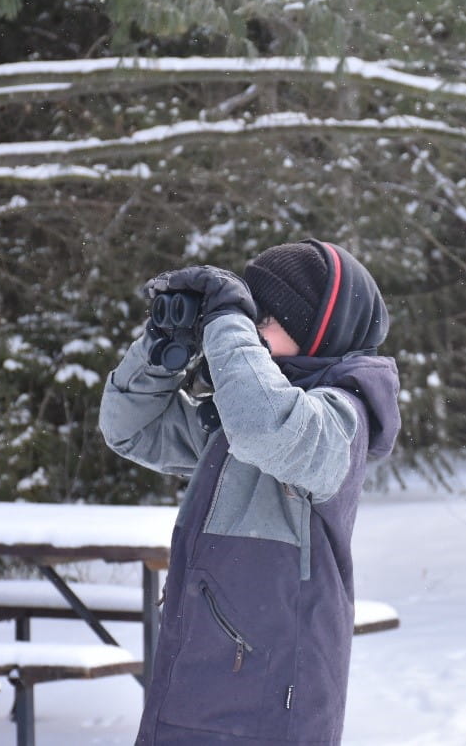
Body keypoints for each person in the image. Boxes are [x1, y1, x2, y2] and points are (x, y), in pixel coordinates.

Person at [99, 239, 401, 746]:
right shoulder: (244, 410)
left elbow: (266, 429)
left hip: (272, 694)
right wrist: (160, 345)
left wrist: (226, 323)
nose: (254, 330)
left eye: (266, 318)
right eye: (250, 317)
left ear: (314, 330)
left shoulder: (341, 414)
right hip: (198, 671)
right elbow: (132, 428)